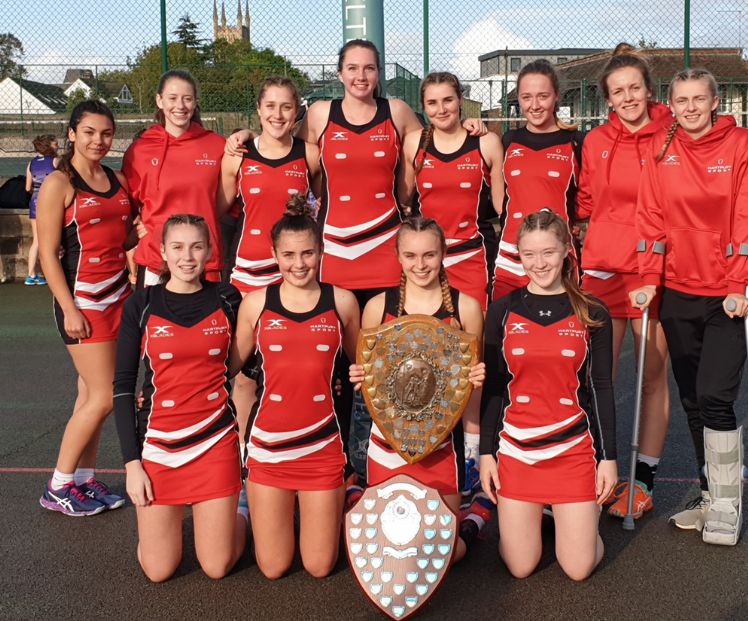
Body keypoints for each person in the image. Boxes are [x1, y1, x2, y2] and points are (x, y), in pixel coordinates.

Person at [226, 39, 485, 484]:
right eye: (352, 68)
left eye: (368, 68)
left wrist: (474, 125)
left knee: (392, 360)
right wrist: (246, 135)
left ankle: (413, 456)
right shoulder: (322, 114)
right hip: (335, 258)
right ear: (340, 72)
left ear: (378, 72)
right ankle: (341, 462)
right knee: (340, 365)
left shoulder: (399, 111)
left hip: (384, 254)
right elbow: (280, 137)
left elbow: (435, 140)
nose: (360, 76)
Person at [630, 68, 748, 545]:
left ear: (714, 102)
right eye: (681, 100)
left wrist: (738, 283)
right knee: (690, 398)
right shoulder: (660, 149)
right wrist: (648, 279)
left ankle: (729, 505)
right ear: (672, 103)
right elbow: (649, 217)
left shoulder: (742, 144)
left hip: (732, 293)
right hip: (678, 289)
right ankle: (711, 494)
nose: (689, 108)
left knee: (714, 395)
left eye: (698, 99)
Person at [480, 210, 616, 580]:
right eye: (529, 254)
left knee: (578, 568)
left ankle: (582, 522)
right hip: (517, 450)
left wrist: (608, 459)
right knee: (521, 567)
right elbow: (494, 387)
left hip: (571, 451)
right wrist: (486, 453)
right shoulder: (501, 311)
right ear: (518, 255)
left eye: (548, 253)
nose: (539, 264)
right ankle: (539, 513)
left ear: (566, 252)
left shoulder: (592, 312)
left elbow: (602, 388)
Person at [231, 195, 360, 579]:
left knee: (320, 567)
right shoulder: (255, 304)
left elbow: (366, 368)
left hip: (322, 449)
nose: (298, 264)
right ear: (274, 253)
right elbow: (225, 366)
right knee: (273, 568)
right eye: (288, 255)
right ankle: (240, 503)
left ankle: (346, 493)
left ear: (321, 251)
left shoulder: (342, 301)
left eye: (307, 253)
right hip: (269, 450)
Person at [113, 214, 247, 581]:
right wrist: (132, 464)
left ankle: (243, 512)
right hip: (159, 445)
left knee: (217, 567)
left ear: (209, 252)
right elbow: (123, 386)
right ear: (163, 252)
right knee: (158, 570)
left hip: (215, 441)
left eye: (196, 247)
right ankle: (159, 531)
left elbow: (250, 361)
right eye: (178, 247)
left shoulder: (228, 298)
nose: (187, 256)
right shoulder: (140, 304)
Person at [349, 217, 487, 562]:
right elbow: (371, 388)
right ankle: (353, 494)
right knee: (386, 553)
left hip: (442, 448)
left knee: (441, 556)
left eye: (429, 255)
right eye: (410, 255)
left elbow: (469, 388)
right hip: (387, 446)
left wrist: (472, 444)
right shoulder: (377, 307)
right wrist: (359, 377)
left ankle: (477, 516)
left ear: (443, 254)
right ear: (397, 255)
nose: (420, 264)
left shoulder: (466, 308)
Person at [576, 44, 672, 519]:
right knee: (600, 377)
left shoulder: (673, 132)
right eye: (619, 91)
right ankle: (600, 469)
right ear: (607, 99)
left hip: (654, 269)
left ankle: (645, 477)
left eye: (635, 87)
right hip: (604, 271)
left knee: (651, 374)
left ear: (649, 90)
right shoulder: (596, 141)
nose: (628, 97)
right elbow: (587, 200)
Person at [36, 101, 133, 516]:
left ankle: (83, 479)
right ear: (72, 133)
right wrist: (69, 309)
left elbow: (122, 238)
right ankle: (57, 486)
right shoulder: (59, 183)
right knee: (105, 395)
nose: (99, 140)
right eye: (90, 132)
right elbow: (47, 254)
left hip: (118, 298)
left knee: (89, 394)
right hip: (83, 302)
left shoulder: (117, 177)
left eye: (106, 133)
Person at [219, 76, 322, 447]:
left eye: (286, 107)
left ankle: (294, 450)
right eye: (270, 106)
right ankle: (247, 460)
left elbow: (319, 209)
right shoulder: (238, 155)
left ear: (296, 112)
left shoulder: (309, 154)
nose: (278, 114)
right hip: (248, 275)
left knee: (293, 369)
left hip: (296, 276)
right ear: (259, 110)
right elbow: (222, 210)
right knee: (244, 376)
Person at [400, 71, 505, 310]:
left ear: (460, 99)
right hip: (425, 260)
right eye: (432, 103)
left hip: (473, 256)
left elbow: (502, 207)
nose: (441, 109)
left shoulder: (486, 143)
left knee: (474, 336)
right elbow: (401, 198)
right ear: (423, 107)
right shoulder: (414, 142)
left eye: (448, 100)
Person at [123, 69, 226, 287]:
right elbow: (126, 205)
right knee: (152, 321)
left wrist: (248, 134)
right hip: (155, 259)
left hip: (203, 261)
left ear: (195, 102)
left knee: (208, 321)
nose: (180, 106)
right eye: (172, 98)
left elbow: (228, 201)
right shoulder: (139, 151)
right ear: (159, 100)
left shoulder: (217, 146)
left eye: (187, 99)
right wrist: (133, 232)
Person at [493, 60, 583, 301]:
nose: (534, 105)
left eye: (542, 96)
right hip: (511, 255)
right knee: (506, 331)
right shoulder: (508, 140)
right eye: (526, 97)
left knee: (559, 332)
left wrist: (579, 225)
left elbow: (590, 198)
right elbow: (499, 198)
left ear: (556, 97)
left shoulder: (576, 141)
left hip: (556, 256)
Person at [24, 134, 58, 285]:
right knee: (53, 239)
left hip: (35, 202)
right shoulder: (56, 161)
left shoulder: (31, 163)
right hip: (51, 203)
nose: (57, 145)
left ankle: (31, 275)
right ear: (49, 146)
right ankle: (52, 273)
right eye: (55, 143)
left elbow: (27, 187)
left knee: (36, 240)